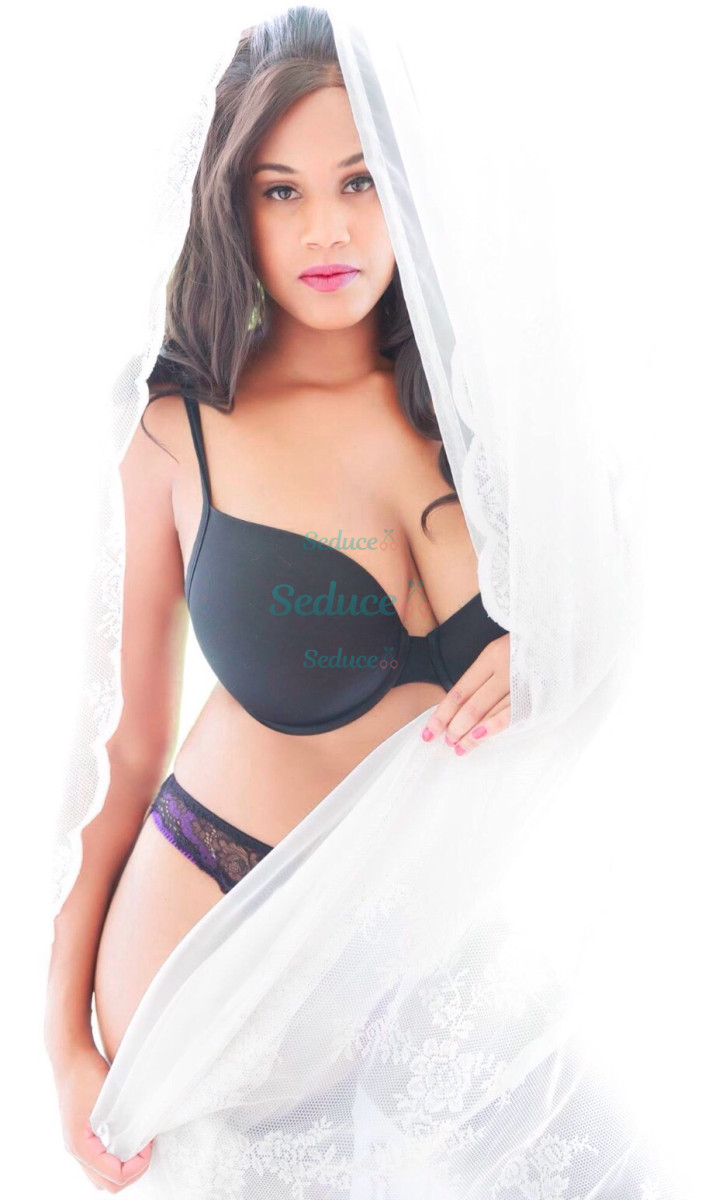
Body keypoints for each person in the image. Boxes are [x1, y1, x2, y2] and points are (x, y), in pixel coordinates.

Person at [44, 8, 513, 1191]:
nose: (328, 229)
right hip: (209, 949)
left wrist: (551, 652)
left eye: (359, 181)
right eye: (282, 192)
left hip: (428, 955)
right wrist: (61, 1052)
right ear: (233, 209)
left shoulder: (493, 417)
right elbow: (120, 754)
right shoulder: (174, 435)